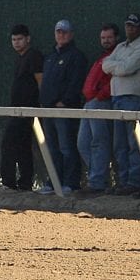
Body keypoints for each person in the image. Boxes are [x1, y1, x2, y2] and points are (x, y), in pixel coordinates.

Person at [101, 13, 140, 196]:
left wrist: (117, 66)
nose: (130, 29)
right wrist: (118, 66)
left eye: (133, 26)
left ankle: (134, 182)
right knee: (119, 144)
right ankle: (123, 182)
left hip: (134, 98)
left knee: (133, 143)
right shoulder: (121, 46)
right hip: (117, 98)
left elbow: (125, 68)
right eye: (128, 25)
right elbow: (104, 65)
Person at [38, 19, 88, 194]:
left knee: (67, 147)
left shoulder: (76, 56)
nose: (61, 35)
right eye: (58, 32)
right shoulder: (50, 57)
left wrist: (65, 102)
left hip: (65, 110)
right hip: (48, 110)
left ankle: (71, 183)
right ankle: (53, 182)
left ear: (71, 34)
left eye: (65, 32)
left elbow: (76, 83)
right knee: (52, 148)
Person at [0, 24, 43, 191]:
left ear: (28, 39)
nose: (16, 43)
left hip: (28, 110)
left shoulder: (34, 56)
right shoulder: (20, 58)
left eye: (19, 39)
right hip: (17, 110)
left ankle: (9, 183)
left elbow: (41, 80)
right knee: (23, 147)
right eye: (13, 40)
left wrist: (40, 106)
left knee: (9, 144)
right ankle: (24, 184)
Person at [76, 23, 119, 197]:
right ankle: (99, 179)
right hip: (90, 102)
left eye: (109, 37)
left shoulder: (117, 55)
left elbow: (115, 81)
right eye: (103, 38)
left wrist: (101, 96)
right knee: (83, 143)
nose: (106, 41)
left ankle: (97, 183)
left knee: (98, 143)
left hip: (101, 103)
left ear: (116, 38)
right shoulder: (103, 57)